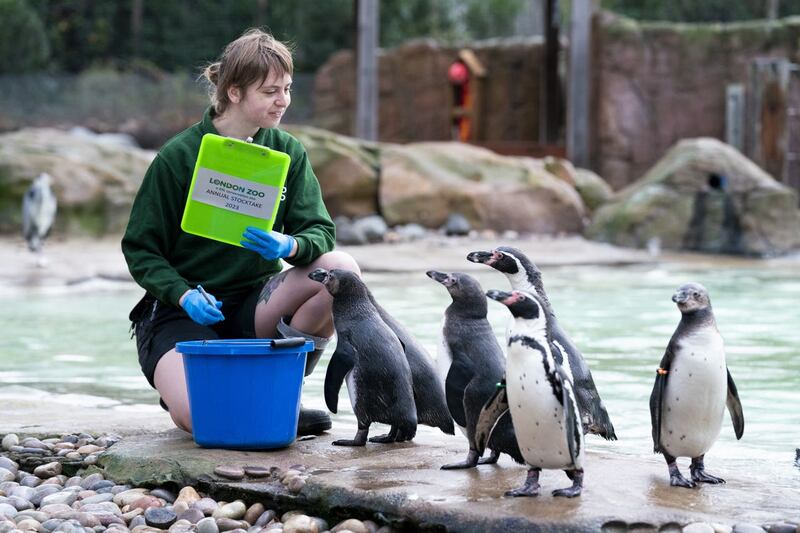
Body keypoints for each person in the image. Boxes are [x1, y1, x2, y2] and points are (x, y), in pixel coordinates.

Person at [122, 28, 359, 436]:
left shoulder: (288, 151)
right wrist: (181, 292)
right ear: (233, 92)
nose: (283, 100)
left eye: (287, 89)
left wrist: (292, 244)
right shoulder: (178, 156)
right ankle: (231, 397)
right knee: (207, 421)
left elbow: (320, 231)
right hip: (180, 314)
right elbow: (141, 249)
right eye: (270, 91)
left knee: (341, 271)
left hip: (254, 305)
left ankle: (281, 392)